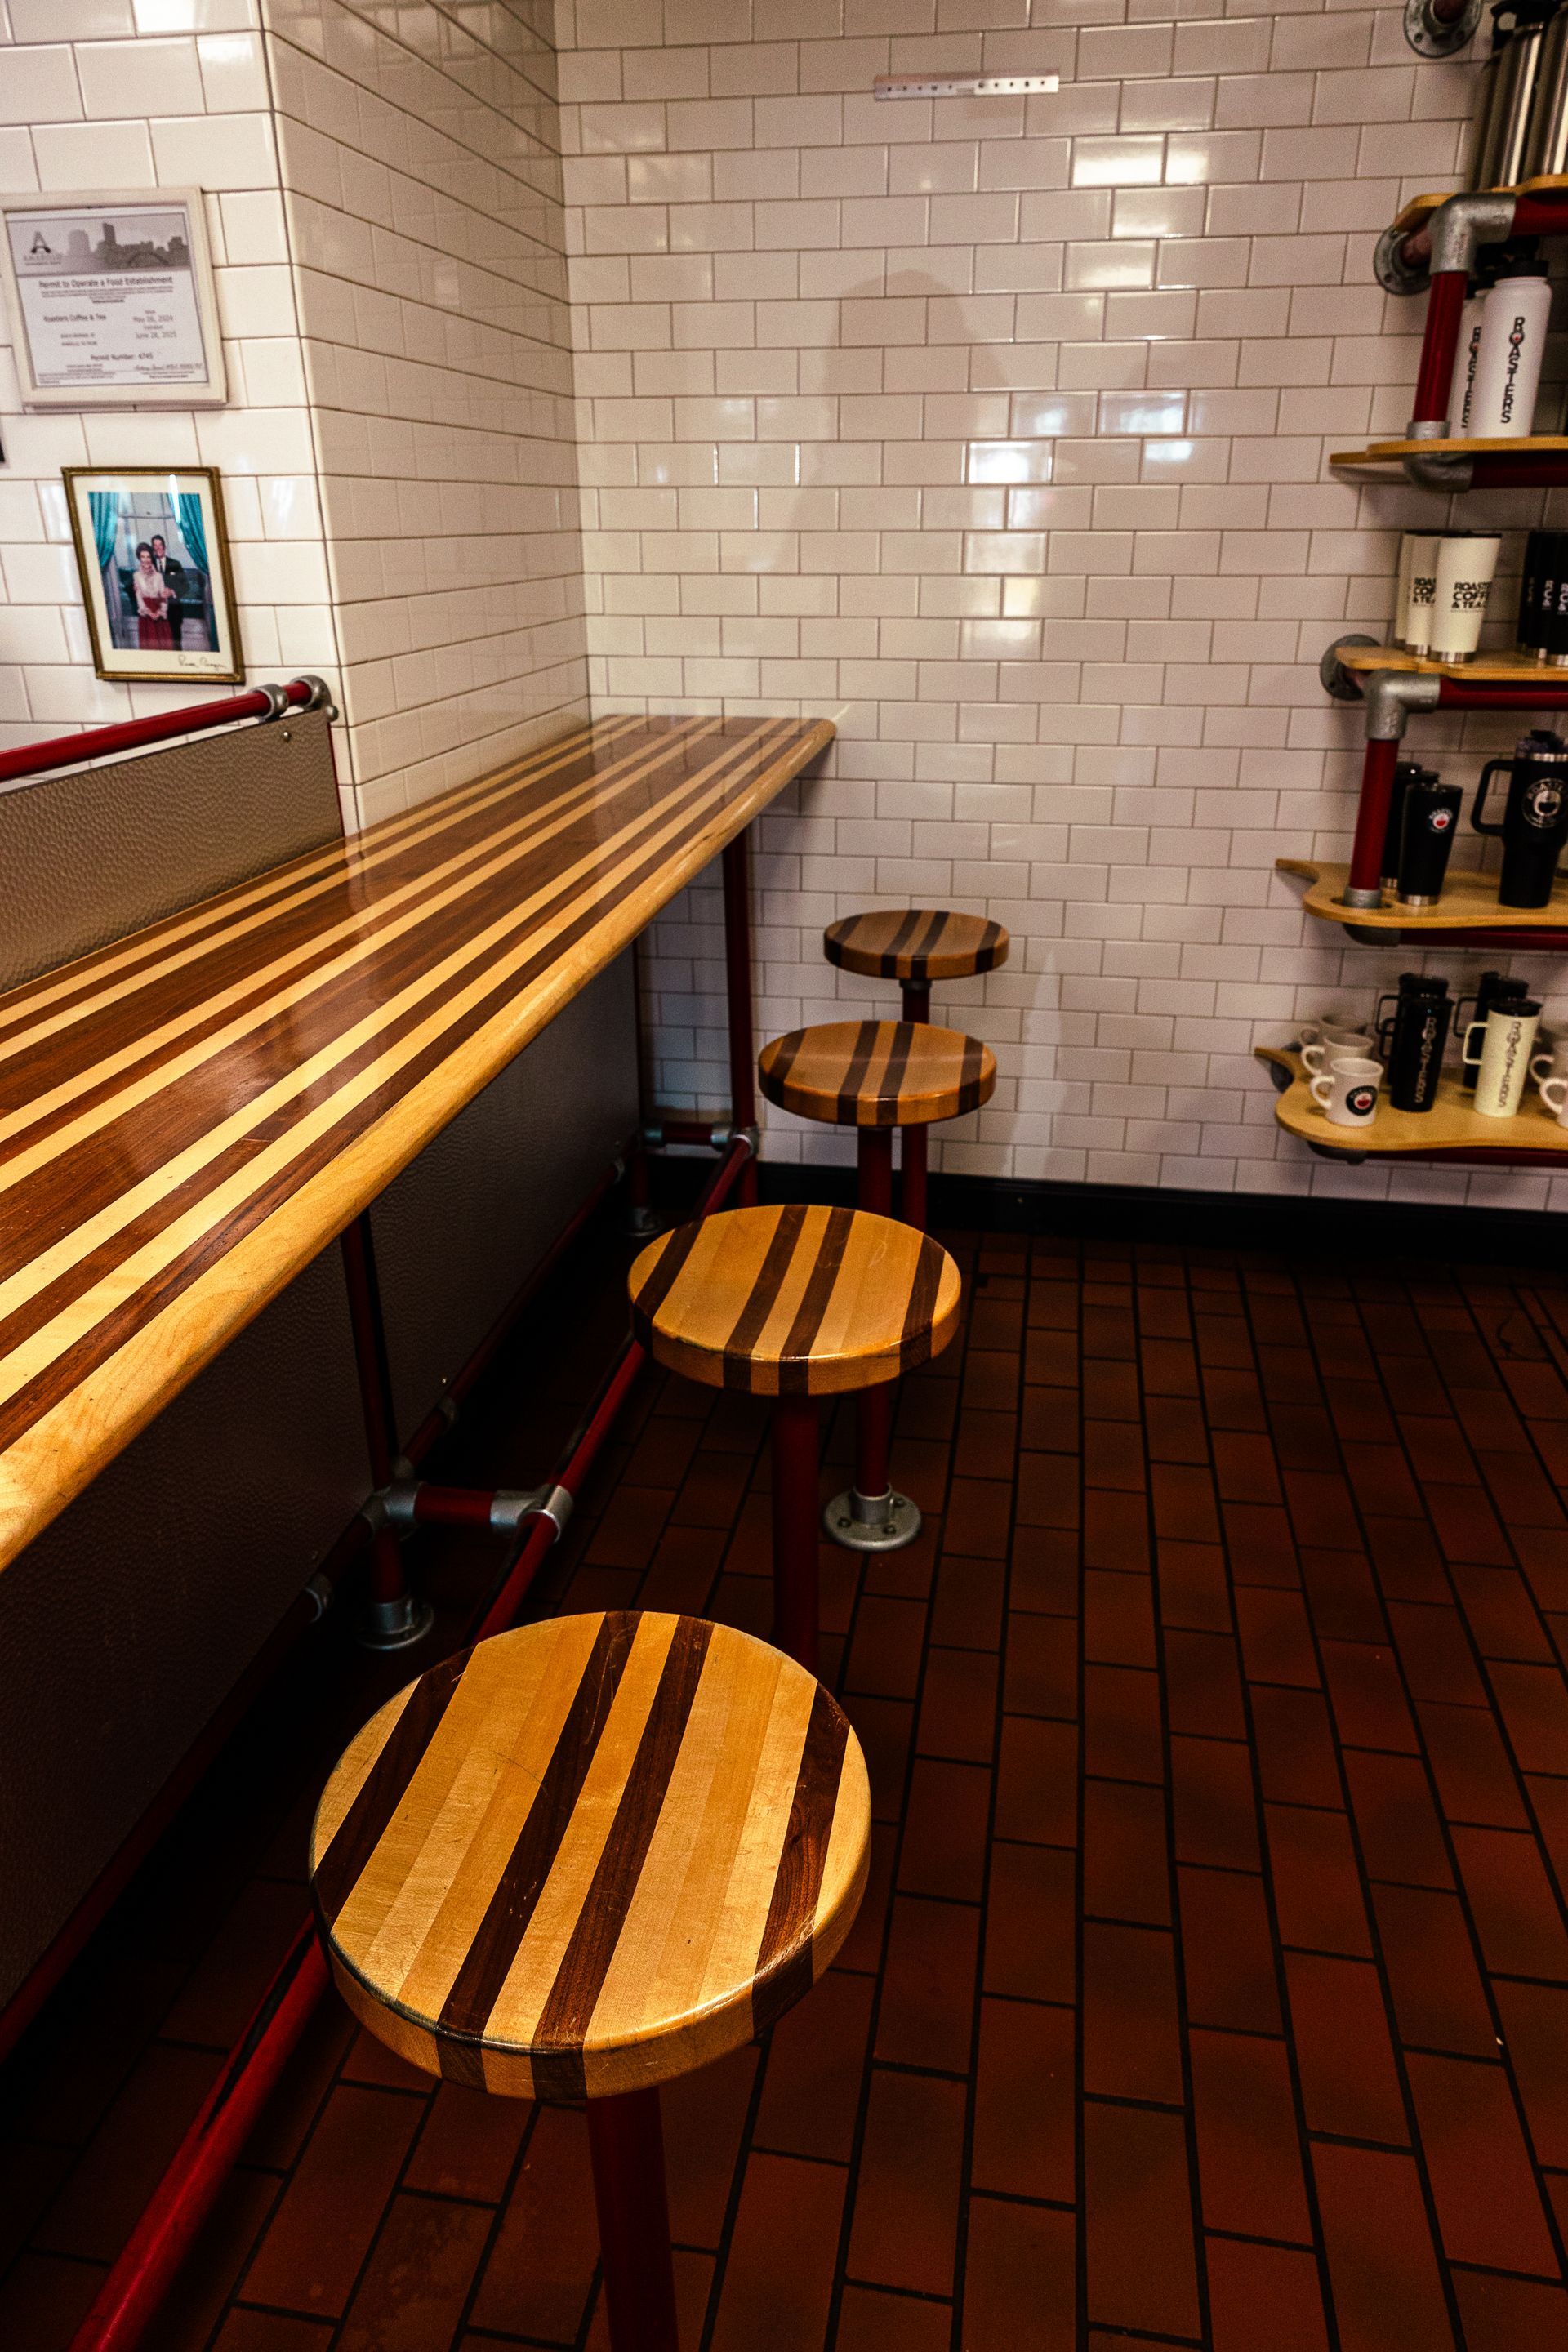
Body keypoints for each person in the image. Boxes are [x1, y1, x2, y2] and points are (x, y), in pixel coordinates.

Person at [131, 541, 173, 650]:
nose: (146, 560)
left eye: (148, 556)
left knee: (164, 649)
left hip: (160, 617)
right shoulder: (136, 576)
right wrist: (149, 613)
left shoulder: (158, 576)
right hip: (146, 618)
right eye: (143, 557)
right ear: (139, 558)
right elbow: (139, 598)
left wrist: (160, 612)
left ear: (152, 557)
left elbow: (163, 596)